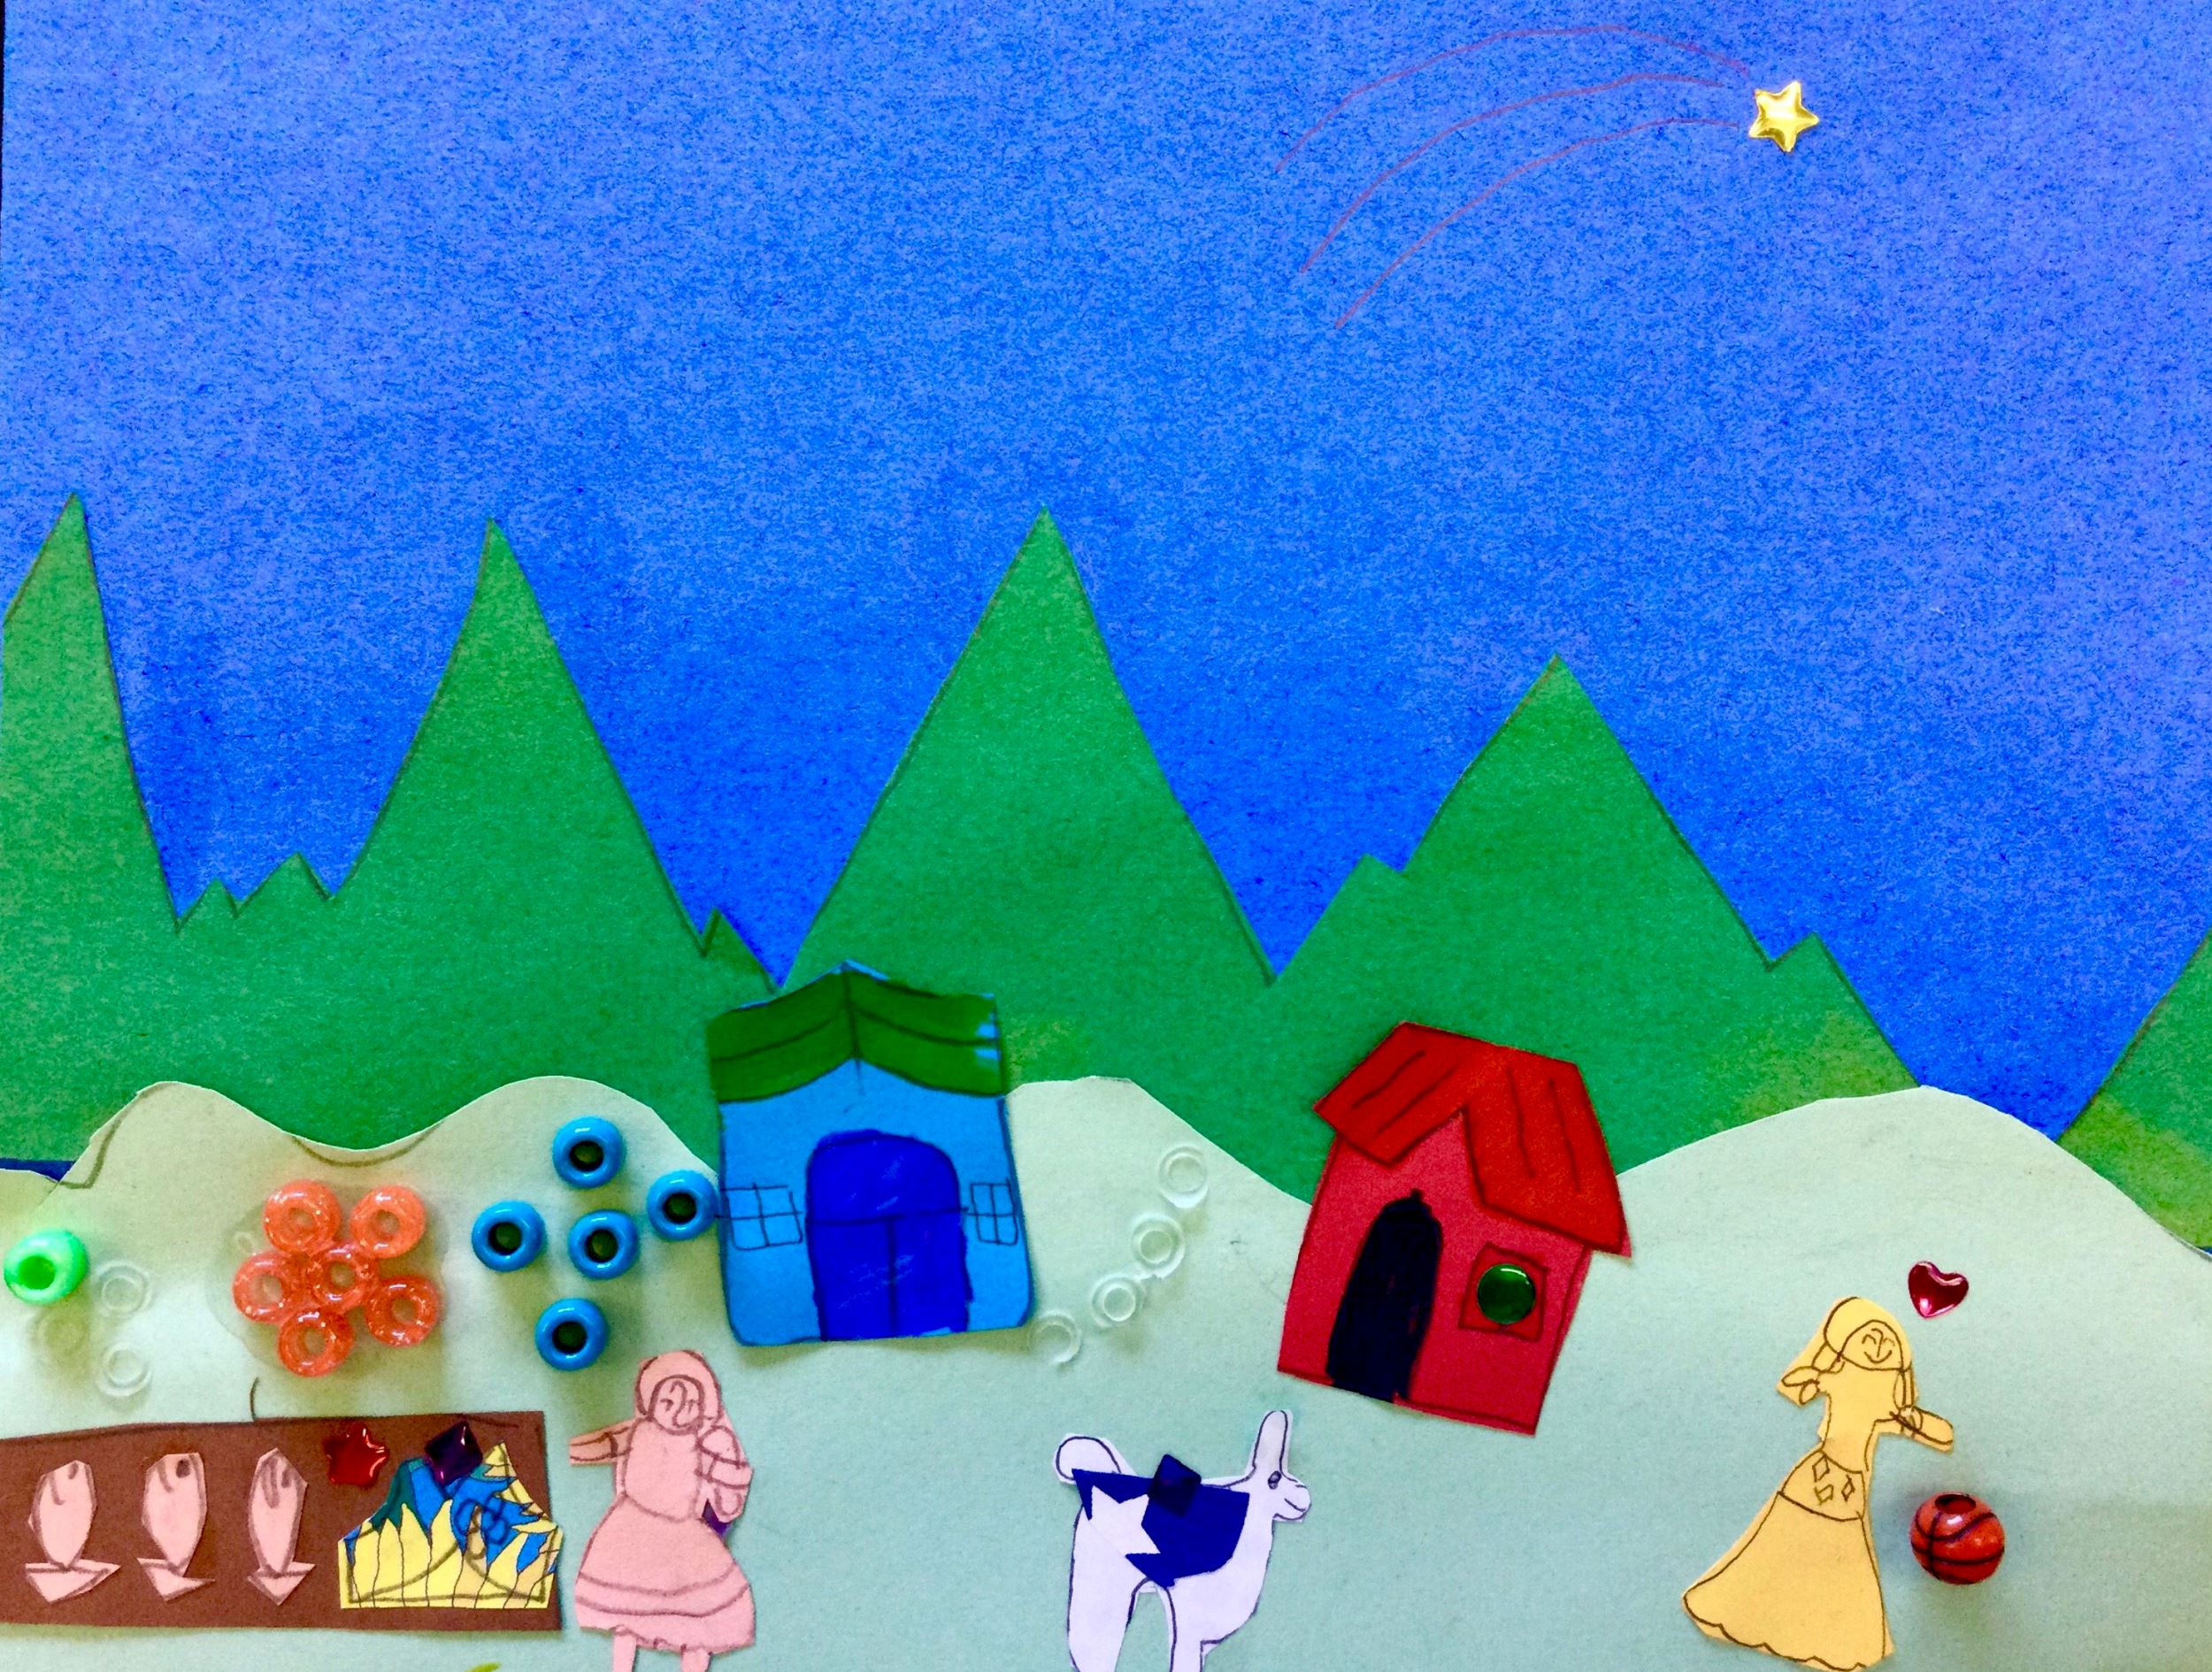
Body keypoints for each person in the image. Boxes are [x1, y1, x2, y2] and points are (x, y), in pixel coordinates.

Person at [1683, 1298, 1954, 1671]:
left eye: (1886, 1342)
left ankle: (1822, 1633)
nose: (1878, 1346)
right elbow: (1792, 1384)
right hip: (1819, 1474)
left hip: (1851, 1484)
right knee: (1783, 1543)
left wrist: (1911, 1418)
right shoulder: (1837, 1378)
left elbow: (1942, 1434)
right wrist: (1819, 1369)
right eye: (1869, 1337)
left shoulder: (1887, 1406)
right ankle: (1755, 1610)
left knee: (1843, 1556)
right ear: (1846, 1343)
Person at [571, 1350, 757, 1670]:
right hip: (630, 1528)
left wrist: (728, 1464)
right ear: (651, 1402)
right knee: (626, 1614)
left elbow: (729, 1492)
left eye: (690, 1404)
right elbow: (601, 1444)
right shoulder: (636, 1432)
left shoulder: (705, 1443)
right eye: (668, 1402)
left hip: (683, 1533)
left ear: (703, 1407)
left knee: (698, 1617)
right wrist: (572, 1448)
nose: (678, 1411)